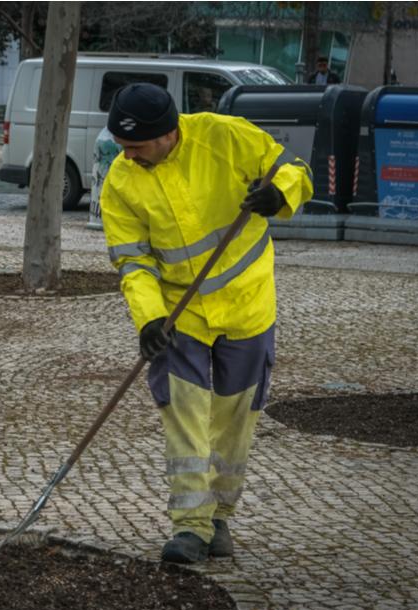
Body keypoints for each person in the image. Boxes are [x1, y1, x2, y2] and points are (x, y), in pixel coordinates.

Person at [99, 83, 313, 564]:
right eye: (121, 145)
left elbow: (294, 168)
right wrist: (150, 319)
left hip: (247, 306)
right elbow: (133, 261)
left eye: (135, 146)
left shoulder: (224, 136)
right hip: (181, 317)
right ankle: (190, 526)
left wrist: (279, 193)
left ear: (168, 133)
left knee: (235, 421)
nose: (126, 155)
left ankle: (219, 518)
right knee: (184, 415)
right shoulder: (121, 181)